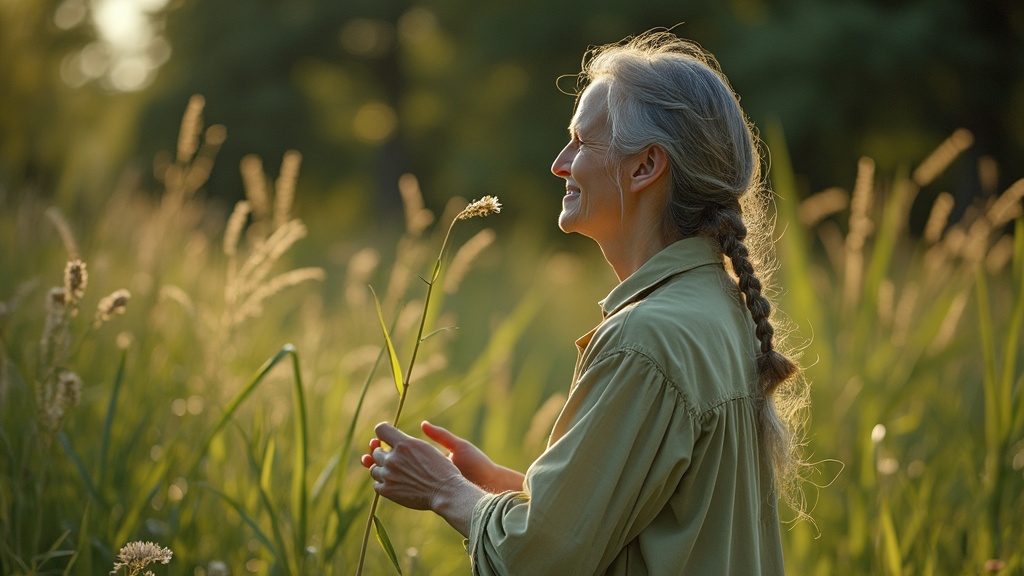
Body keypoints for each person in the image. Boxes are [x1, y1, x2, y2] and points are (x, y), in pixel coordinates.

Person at [362, 30, 805, 575]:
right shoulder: (718, 309)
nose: (559, 163)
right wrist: (516, 491)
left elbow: (539, 560)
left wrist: (444, 490)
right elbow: (668, 520)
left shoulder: (647, 339)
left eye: (580, 141)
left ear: (645, 166)